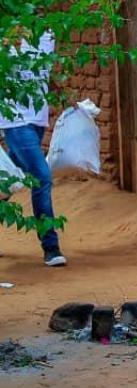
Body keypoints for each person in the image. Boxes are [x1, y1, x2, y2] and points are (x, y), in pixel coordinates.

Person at [0, 30, 66, 266]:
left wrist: (65, 99)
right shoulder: (4, 36)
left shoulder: (47, 33)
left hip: (37, 119)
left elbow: (46, 73)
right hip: (14, 122)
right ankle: (51, 246)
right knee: (42, 177)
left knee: (6, 180)